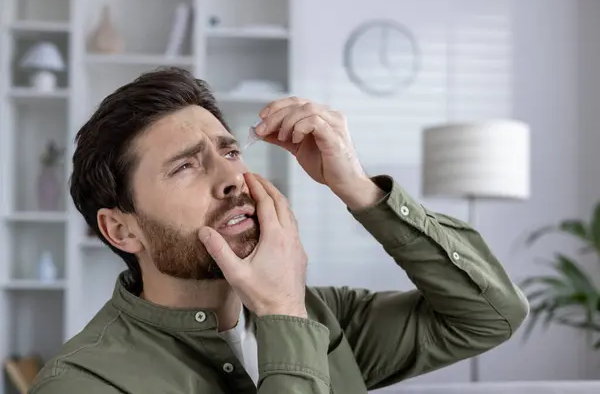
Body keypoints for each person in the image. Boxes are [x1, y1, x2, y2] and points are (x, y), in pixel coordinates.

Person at [30, 67, 529, 394]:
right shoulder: (82, 383)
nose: (232, 179)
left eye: (229, 152)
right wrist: (282, 315)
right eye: (185, 167)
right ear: (121, 230)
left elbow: (490, 316)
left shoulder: (325, 319)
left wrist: (358, 186)